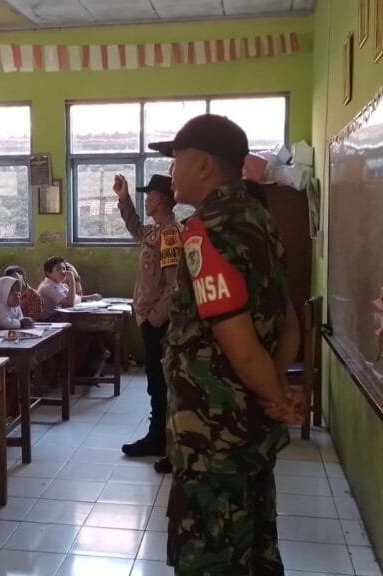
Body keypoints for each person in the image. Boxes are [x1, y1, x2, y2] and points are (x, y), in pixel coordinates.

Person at [149, 114, 300, 575]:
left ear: (204, 166)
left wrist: (277, 398)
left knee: (210, 556)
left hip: (213, 435)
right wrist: (274, 390)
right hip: (250, 427)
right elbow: (288, 321)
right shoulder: (260, 219)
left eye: (177, 159)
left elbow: (240, 345)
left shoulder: (207, 232)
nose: (171, 171)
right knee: (253, 546)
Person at [113, 173, 182, 469]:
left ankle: (163, 439)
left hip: (158, 320)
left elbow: (174, 284)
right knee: (155, 380)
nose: (146, 200)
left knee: (161, 381)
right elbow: (136, 228)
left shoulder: (170, 234)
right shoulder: (155, 231)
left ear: (160, 200)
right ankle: (158, 436)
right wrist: (123, 199)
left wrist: (155, 319)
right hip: (147, 316)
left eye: (149, 196)